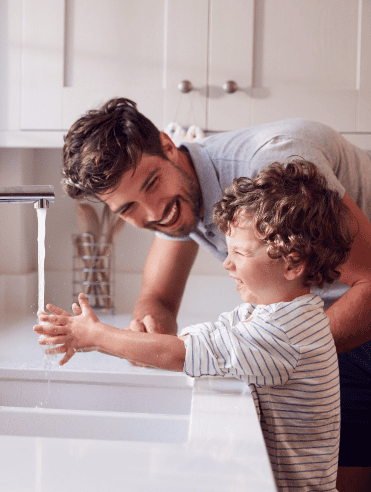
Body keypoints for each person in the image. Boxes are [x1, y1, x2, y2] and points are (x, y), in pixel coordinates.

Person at [60, 98, 371, 490]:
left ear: (167, 145)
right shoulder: (176, 197)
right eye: (127, 209)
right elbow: (158, 296)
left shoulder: (273, 173)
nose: (153, 212)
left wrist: (271, 352)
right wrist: (152, 321)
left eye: (152, 184)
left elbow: (370, 286)